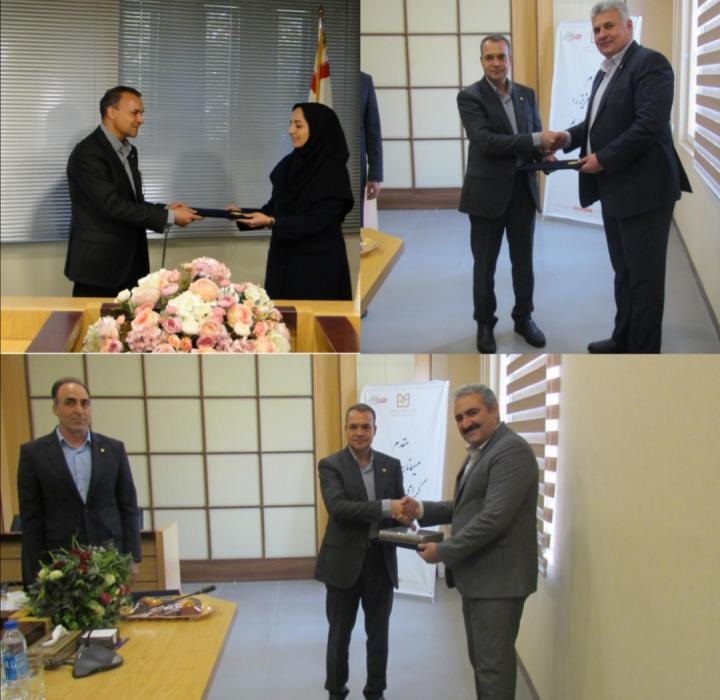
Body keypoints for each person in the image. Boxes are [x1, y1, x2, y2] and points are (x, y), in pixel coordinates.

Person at [557, 1, 691, 353]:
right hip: (615, 188)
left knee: (645, 280)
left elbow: (648, 125)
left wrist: (603, 159)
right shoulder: (605, 71)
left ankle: (643, 353)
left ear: (629, 27)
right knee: (624, 272)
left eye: (609, 26)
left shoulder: (650, 64)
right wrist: (567, 137)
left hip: (646, 192)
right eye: (596, 29)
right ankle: (622, 340)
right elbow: (598, 122)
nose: (602, 34)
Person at [402, 384, 538, 700]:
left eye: (472, 413)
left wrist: (443, 552)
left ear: (495, 410)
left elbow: (492, 518)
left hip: (498, 582)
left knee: (492, 669)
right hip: (480, 578)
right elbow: (466, 507)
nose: (465, 423)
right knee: (483, 663)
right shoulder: (484, 450)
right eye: (459, 418)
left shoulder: (510, 451)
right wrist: (420, 509)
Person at [459, 35, 556, 354]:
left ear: (510, 59)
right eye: (489, 57)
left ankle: (523, 317)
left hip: (522, 191)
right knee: (484, 265)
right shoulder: (470, 97)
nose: (496, 63)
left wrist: (546, 153)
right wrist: (535, 139)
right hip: (486, 193)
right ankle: (484, 323)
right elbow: (485, 142)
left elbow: (534, 138)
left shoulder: (526, 94)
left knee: (523, 261)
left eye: (501, 56)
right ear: (482, 61)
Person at [64, 85, 202, 298]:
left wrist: (165, 209)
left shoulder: (129, 151)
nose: (141, 119)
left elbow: (129, 201)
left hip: (131, 264)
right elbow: (112, 205)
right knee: (97, 320)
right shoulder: (88, 153)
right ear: (112, 112)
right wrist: (170, 216)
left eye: (141, 113)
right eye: (135, 113)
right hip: (99, 269)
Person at [314, 403, 410, 700]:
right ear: (346, 429)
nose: (359, 432)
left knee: (379, 634)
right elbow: (339, 509)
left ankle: (375, 692)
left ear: (374, 430)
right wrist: (388, 507)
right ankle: (336, 691)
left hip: (380, 561)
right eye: (353, 426)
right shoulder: (330, 465)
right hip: (343, 563)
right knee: (339, 634)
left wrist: (407, 517)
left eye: (365, 426)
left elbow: (397, 511)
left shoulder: (391, 464)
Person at [17, 377, 141, 587]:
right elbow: (31, 518)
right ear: (55, 408)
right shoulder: (34, 453)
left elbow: (128, 506)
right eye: (70, 403)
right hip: (59, 560)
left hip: (109, 556)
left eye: (85, 403)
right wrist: (36, 568)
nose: (79, 410)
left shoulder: (113, 449)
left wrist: (132, 557)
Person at [229, 102, 354, 300]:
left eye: (298, 125)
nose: (290, 131)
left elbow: (320, 221)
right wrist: (241, 214)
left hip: (317, 266)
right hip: (282, 260)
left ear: (318, 129)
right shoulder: (290, 164)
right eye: (290, 124)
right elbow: (275, 208)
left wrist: (273, 221)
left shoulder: (333, 171)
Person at [360, 71, 383, 225]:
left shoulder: (364, 80)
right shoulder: (322, 78)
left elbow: (373, 130)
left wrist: (375, 175)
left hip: (356, 167)